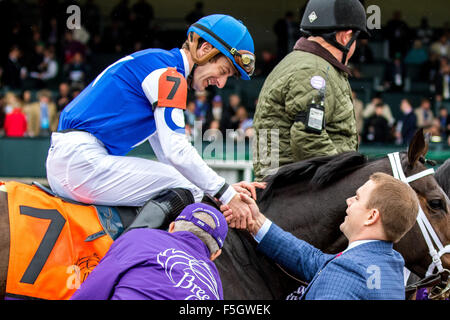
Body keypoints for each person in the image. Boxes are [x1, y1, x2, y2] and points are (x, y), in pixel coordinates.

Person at [46, 14, 256, 230]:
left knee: (184, 183)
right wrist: (226, 195)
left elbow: (168, 157)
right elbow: (177, 152)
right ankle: (133, 253)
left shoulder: (160, 64)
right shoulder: (170, 75)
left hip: (71, 159)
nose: (221, 83)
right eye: (223, 72)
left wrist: (221, 189)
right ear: (204, 50)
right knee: (187, 188)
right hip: (81, 161)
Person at [222, 172, 419, 300]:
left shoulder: (346, 273)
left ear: (371, 216)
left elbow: (333, 271)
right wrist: (256, 222)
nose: (349, 201)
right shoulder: (391, 264)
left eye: (357, 198)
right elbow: (313, 260)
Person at [253, 0, 369, 180]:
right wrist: (347, 177)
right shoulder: (315, 71)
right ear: (346, 37)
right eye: (357, 40)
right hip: (296, 189)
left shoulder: (305, 63)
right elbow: (308, 138)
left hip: (291, 185)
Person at [70, 203, 227, 300]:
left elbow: (96, 287)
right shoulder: (215, 285)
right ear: (215, 255)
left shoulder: (139, 237)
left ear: (171, 228)